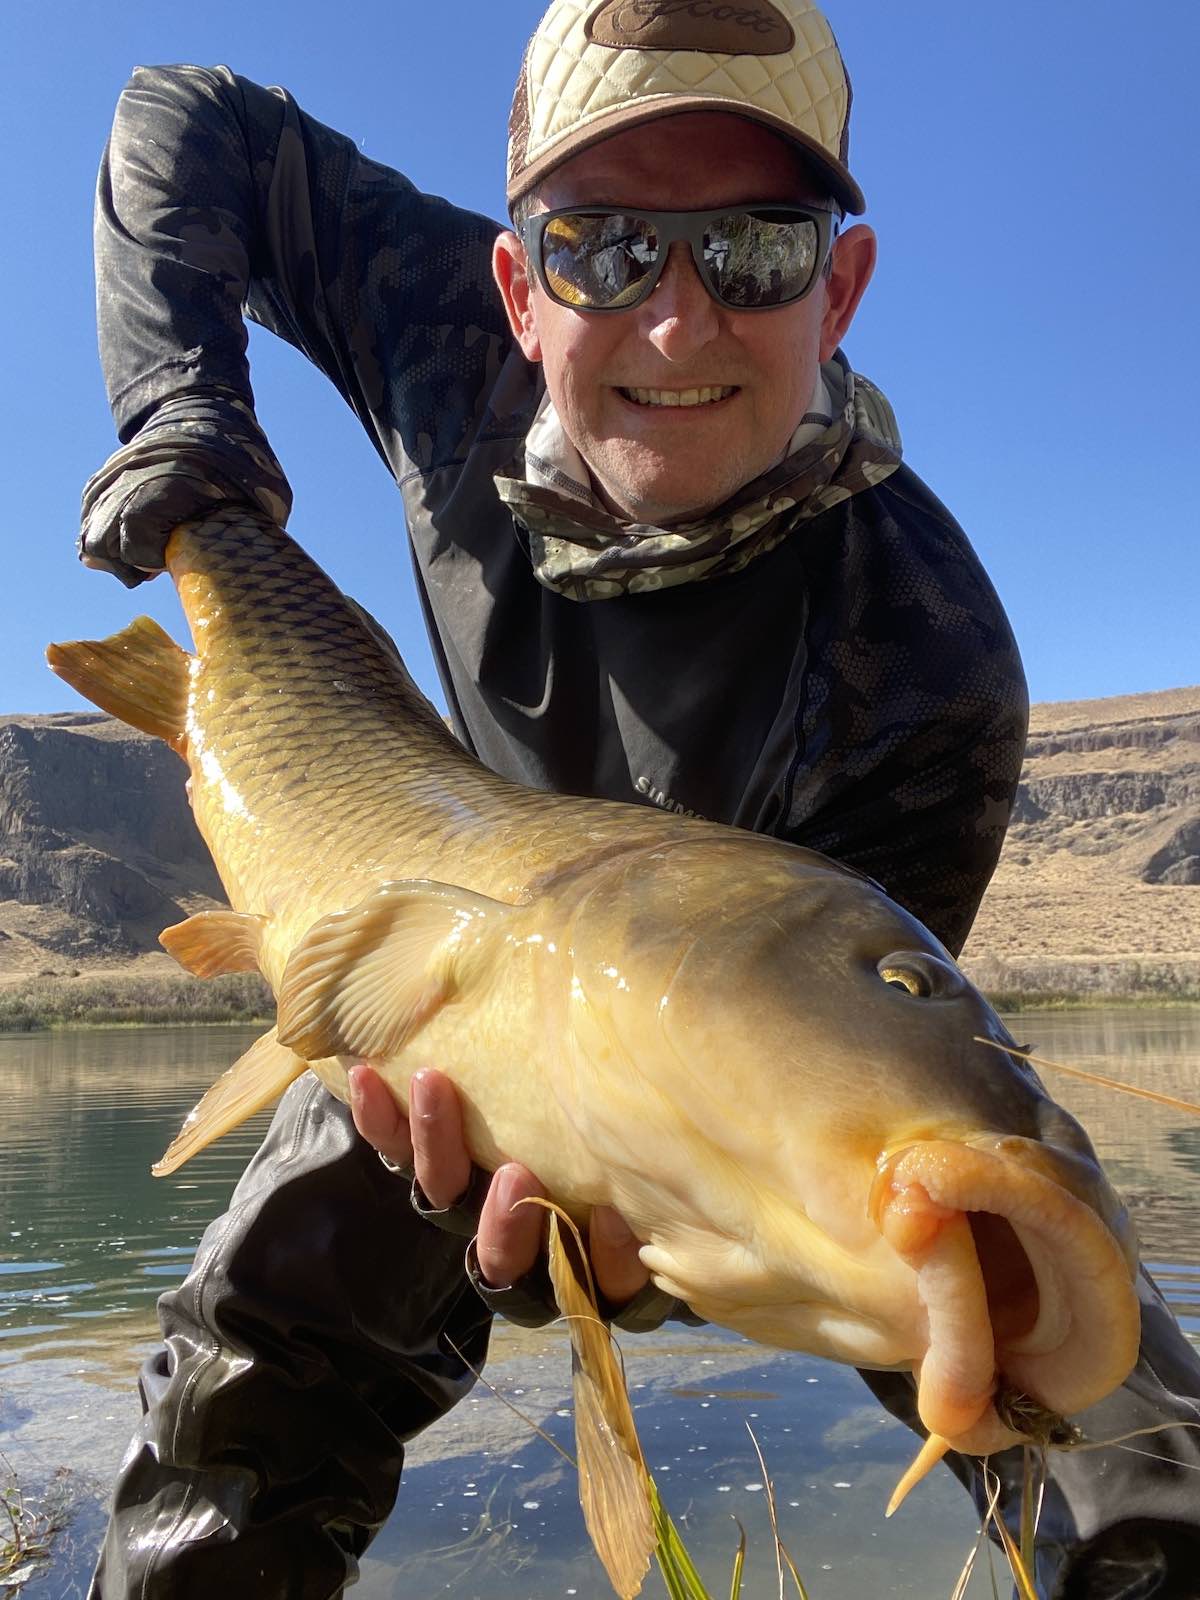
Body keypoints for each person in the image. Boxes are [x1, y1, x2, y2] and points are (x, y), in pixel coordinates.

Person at [78, 2, 1200, 1595]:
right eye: (604, 250)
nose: (677, 323)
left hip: (741, 1044)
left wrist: (638, 1258)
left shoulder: (931, 659)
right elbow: (181, 113)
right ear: (518, 287)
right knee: (256, 1370)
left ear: (843, 288)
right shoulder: (445, 344)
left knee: (1105, 1405)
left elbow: (809, 1048)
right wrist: (178, 420)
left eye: (754, 251)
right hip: (415, 955)